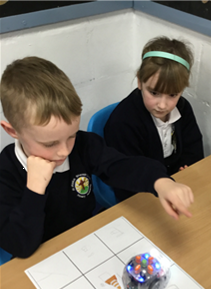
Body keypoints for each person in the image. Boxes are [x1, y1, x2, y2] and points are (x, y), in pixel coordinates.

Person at [0, 56, 194, 259]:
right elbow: (20, 245)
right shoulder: (6, 172)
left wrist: (160, 182)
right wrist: (34, 191)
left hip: (86, 242)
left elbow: (122, 166)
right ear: (12, 131)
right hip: (41, 257)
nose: (64, 151)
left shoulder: (84, 146)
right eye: (49, 144)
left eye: (71, 136)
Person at [104, 36, 204, 202]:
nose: (163, 105)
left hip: (176, 186)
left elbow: (193, 149)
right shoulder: (123, 122)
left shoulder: (183, 108)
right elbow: (127, 173)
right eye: (154, 93)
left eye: (173, 95)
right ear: (140, 82)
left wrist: (187, 170)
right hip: (141, 193)